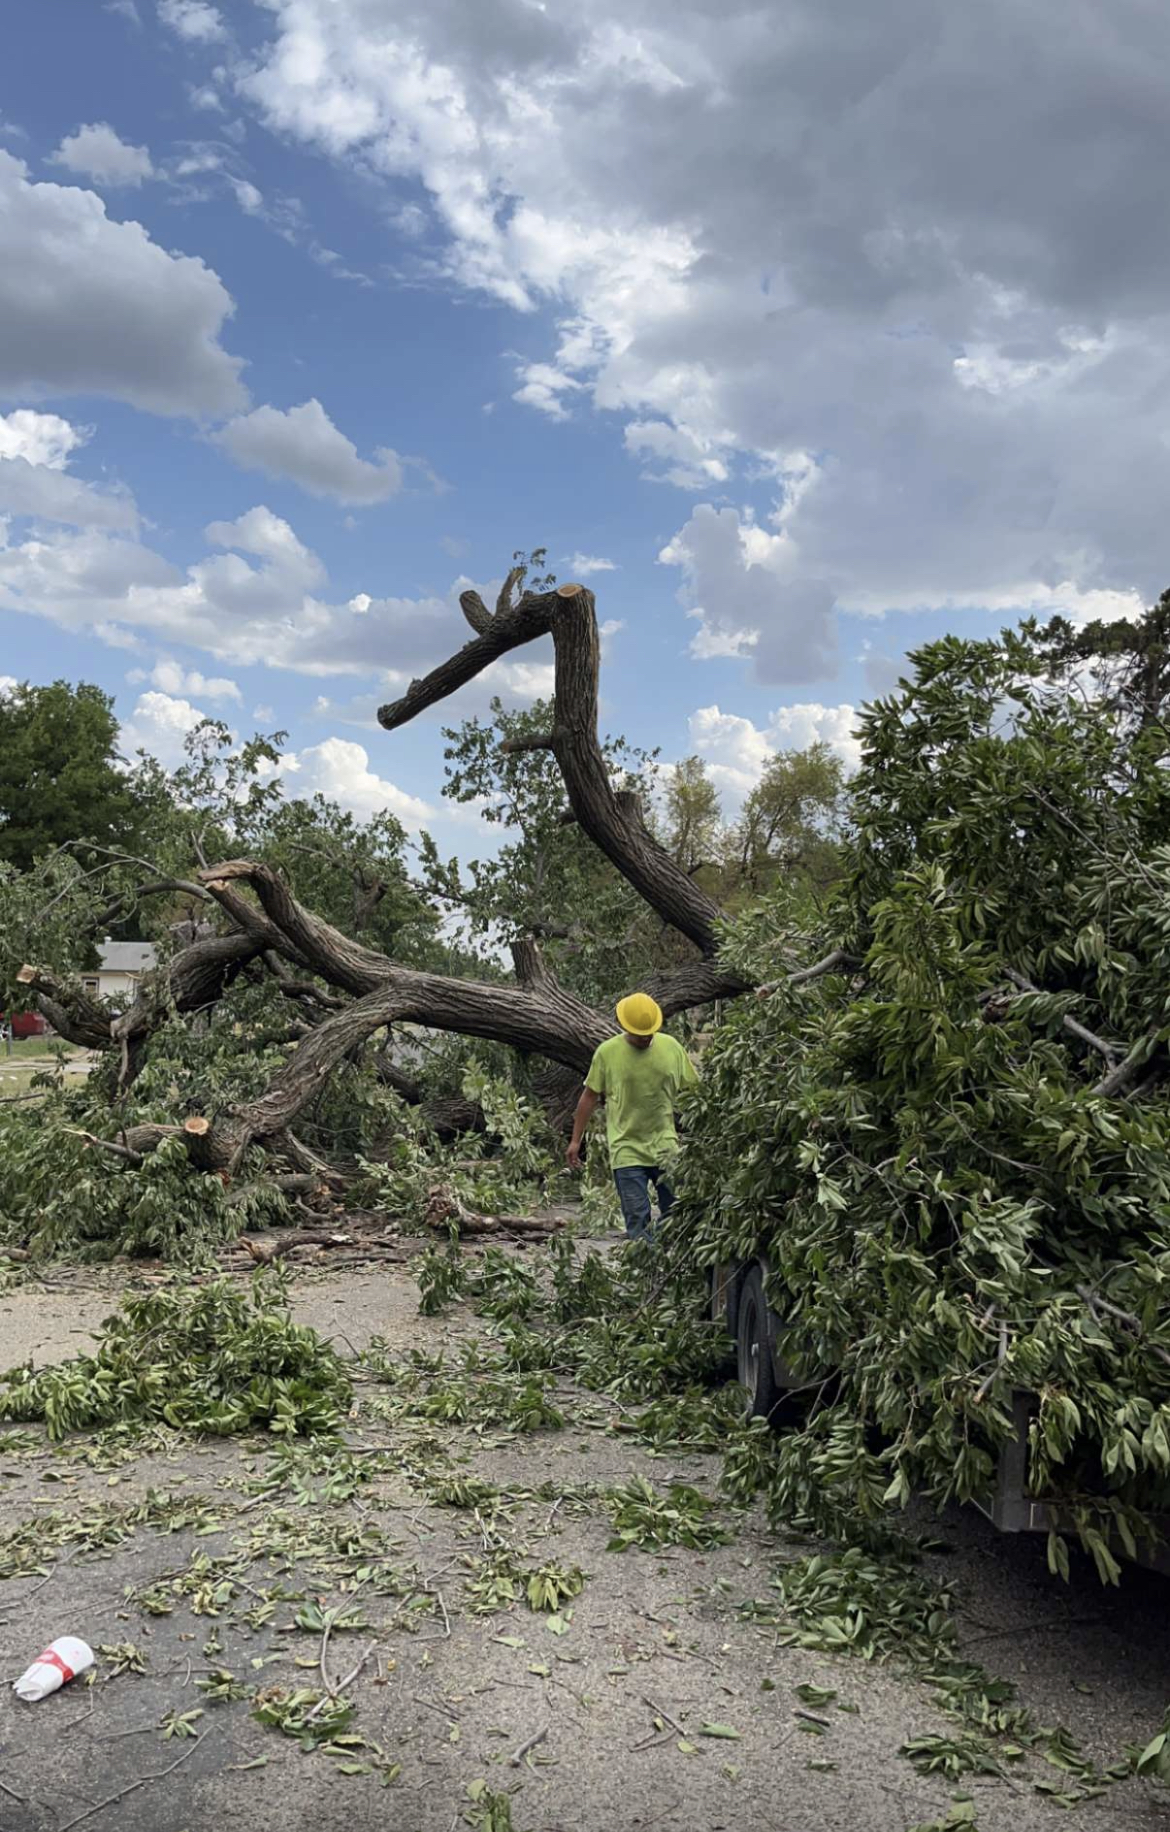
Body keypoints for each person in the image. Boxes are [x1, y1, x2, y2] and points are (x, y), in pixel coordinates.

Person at [566, 992, 698, 1239]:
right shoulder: (607, 1053)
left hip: (666, 1146)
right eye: (640, 1034)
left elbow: (695, 1092)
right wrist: (575, 1141)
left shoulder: (671, 1048)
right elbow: (589, 1097)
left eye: (649, 1032)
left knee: (678, 1214)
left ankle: (664, 1263)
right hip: (626, 1148)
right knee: (638, 1218)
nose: (645, 1037)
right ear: (625, 1026)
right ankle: (645, 1270)